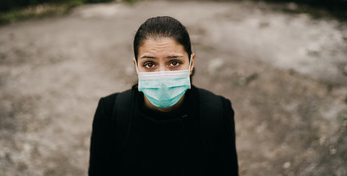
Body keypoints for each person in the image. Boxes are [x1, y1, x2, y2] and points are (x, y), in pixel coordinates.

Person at [88, 16, 239, 176]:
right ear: (136, 66)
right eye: (149, 64)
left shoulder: (217, 111)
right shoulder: (111, 112)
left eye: (174, 62)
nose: (162, 75)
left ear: (191, 63)